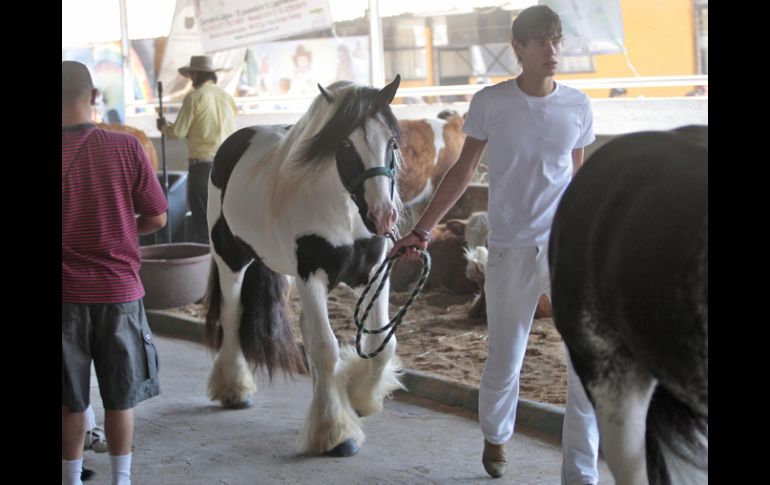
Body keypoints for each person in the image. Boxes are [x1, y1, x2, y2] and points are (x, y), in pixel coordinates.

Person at [389, 6, 600, 484]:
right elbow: (463, 173)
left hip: (564, 249)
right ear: (518, 48)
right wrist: (423, 229)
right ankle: (496, 434)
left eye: (556, 40)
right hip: (509, 249)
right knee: (507, 356)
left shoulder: (578, 105)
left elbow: (580, 179)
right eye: (541, 41)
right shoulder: (491, 103)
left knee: (584, 362)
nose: (552, 50)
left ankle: (580, 473)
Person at [63, 60, 168, 485]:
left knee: (69, 400)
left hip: (64, 296)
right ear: (93, 97)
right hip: (118, 292)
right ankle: (121, 479)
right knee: (120, 397)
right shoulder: (126, 147)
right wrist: (123, 227)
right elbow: (157, 217)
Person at [156, 55, 237, 244]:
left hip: (202, 168)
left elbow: (177, 132)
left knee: (204, 224)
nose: (191, 79)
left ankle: (205, 260)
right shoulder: (227, 98)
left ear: (196, 75)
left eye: (192, 74)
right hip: (228, 168)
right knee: (224, 222)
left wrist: (163, 126)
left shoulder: (194, 98)